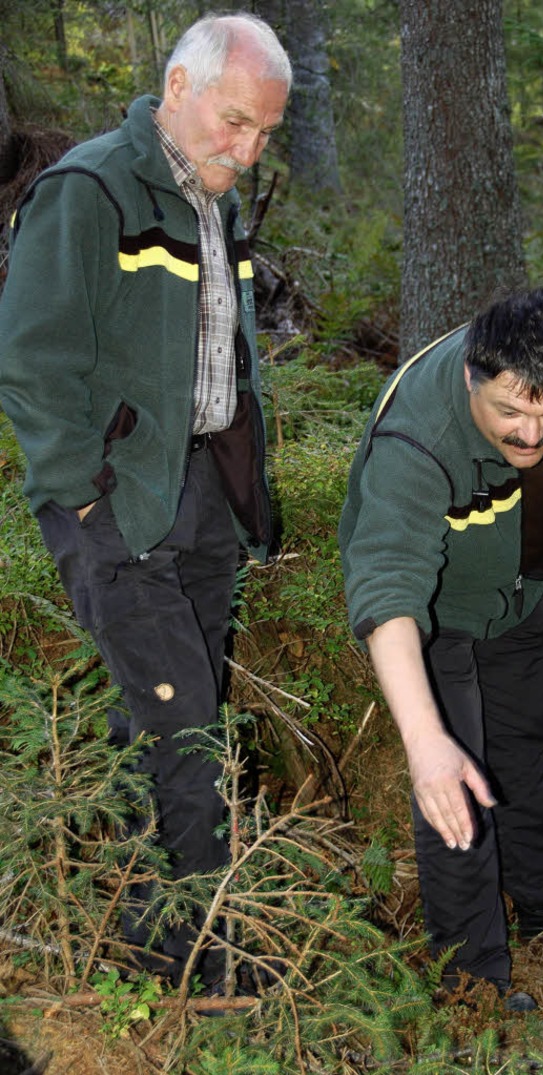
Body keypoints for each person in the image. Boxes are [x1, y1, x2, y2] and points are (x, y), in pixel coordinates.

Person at [0, 13, 291, 987]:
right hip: (118, 502)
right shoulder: (88, 189)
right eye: (234, 121)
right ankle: (200, 954)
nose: (246, 151)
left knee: (157, 715)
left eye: (264, 135)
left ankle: (133, 917)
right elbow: (34, 360)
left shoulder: (207, 197)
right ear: (177, 86)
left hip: (200, 489)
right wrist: (84, 501)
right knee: (187, 727)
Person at [339, 287, 543, 1010]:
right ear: (474, 377)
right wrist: (426, 742)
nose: (531, 435)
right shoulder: (414, 441)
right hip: (432, 615)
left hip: (519, 590)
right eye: (509, 412)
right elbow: (387, 594)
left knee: (527, 751)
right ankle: (472, 977)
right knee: (457, 787)